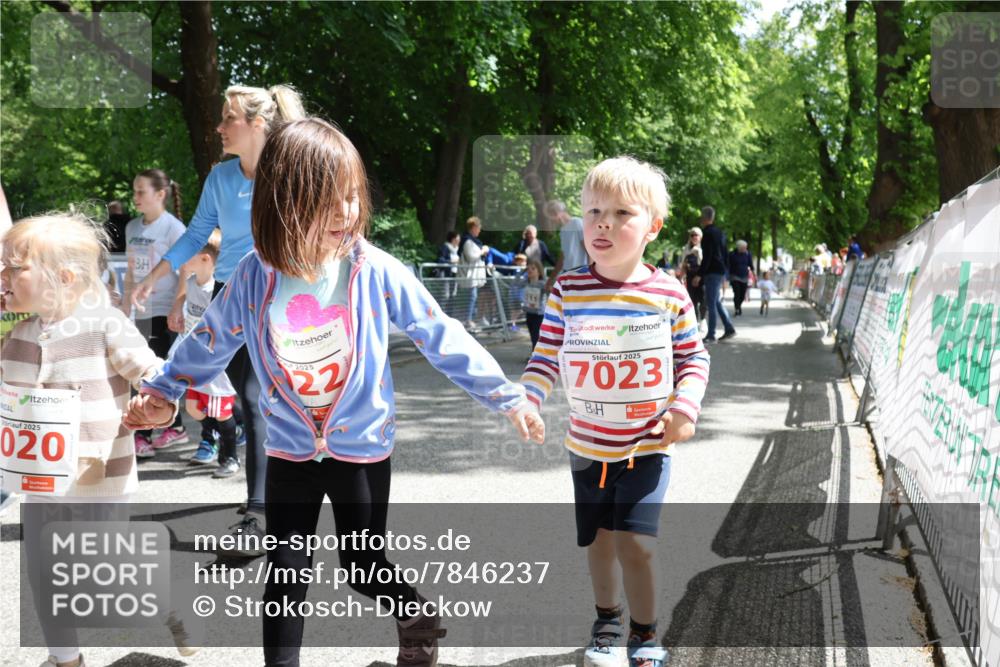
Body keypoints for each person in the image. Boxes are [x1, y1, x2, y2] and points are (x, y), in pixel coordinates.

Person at [125, 117, 545, 667]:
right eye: (329, 200)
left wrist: (507, 396)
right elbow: (207, 342)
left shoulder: (373, 270)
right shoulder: (254, 275)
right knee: (286, 574)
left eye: (352, 196)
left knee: (362, 566)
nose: (347, 212)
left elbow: (439, 333)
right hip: (289, 450)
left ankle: (414, 613)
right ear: (284, 202)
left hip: (361, 449)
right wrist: (164, 389)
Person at [521, 157, 709, 667]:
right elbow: (545, 354)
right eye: (594, 210)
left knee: (636, 545)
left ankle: (645, 635)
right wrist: (528, 397)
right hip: (587, 448)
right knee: (600, 542)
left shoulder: (668, 293)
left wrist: (684, 408)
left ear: (653, 226)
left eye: (622, 212)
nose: (603, 222)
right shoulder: (569, 290)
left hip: (647, 447)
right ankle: (607, 620)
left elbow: (693, 356)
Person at [1, 214, 197, 667]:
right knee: (44, 572)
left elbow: (151, 372)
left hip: (100, 475)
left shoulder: (103, 324)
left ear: (63, 278)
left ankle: (167, 598)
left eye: (14, 268)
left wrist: (158, 404)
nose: (3, 277)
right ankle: (66, 659)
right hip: (40, 483)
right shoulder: (15, 338)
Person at [131, 84, 306, 547]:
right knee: (252, 400)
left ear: (257, 125)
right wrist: (156, 278)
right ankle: (273, 496)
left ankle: (261, 511)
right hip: (231, 296)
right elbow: (194, 237)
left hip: (285, 294)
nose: (219, 126)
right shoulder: (220, 178)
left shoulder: (292, 170)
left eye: (228, 118)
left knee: (255, 398)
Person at [121, 169, 189, 457]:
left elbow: (187, 268)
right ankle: (169, 426)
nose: (135, 197)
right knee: (144, 366)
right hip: (141, 308)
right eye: (134, 190)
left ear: (160, 194)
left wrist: (178, 304)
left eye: (141, 191)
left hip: (164, 307)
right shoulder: (132, 227)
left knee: (154, 368)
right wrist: (125, 304)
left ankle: (150, 431)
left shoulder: (173, 228)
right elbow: (130, 269)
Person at [171, 229, 240, 476]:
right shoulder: (191, 285)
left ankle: (229, 457)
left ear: (205, 259)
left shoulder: (219, 289)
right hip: (195, 361)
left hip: (215, 365)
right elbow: (191, 322)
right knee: (193, 408)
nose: (181, 260)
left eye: (187, 254)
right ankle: (234, 425)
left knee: (221, 413)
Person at [693, 206, 735, 342]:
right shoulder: (720, 232)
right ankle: (729, 328)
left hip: (712, 272)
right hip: (720, 270)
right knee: (716, 301)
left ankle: (711, 334)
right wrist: (726, 272)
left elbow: (708, 256)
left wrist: (699, 274)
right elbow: (725, 253)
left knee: (711, 302)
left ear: (704, 218)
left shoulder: (708, 234)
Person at [544, 199, 590, 291]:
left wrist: (590, 274)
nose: (550, 221)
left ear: (556, 213)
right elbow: (562, 258)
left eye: (550, 217)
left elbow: (589, 250)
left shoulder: (577, 223)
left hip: (581, 272)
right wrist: (550, 280)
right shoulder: (563, 230)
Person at [457, 216, 490, 329]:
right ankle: (468, 320)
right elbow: (471, 256)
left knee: (474, 297)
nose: (480, 230)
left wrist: (483, 252)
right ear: (474, 227)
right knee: (472, 297)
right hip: (469, 276)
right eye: (478, 228)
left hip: (474, 277)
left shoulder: (474, 241)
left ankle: (471, 319)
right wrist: (483, 251)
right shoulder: (467, 241)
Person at [679, 227, 705, 325]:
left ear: (700, 237)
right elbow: (683, 265)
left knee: (703, 300)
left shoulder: (703, 248)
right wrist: (681, 278)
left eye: (696, 235)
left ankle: (703, 320)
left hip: (701, 277)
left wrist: (698, 253)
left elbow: (705, 263)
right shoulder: (686, 249)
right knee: (692, 300)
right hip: (690, 276)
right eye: (692, 235)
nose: (694, 237)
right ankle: (695, 322)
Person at [521, 259, 546, 353]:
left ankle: (536, 356)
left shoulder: (542, 284)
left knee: (536, 336)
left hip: (539, 315)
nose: (530, 270)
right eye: (528, 269)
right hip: (529, 313)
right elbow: (514, 284)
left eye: (533, 268)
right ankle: (535, 354)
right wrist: (522, 271)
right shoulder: (525, 283)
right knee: (532, 336)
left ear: (539, 271)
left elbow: (551, 289)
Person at [435, 230, 460, 318]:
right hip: (446, 274)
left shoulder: (457, 250)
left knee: (453, 296)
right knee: (445, 295)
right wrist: (451, 261)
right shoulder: (445, 247)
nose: (459, 239)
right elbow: (440, 260)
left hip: (454, 275)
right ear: (453, 239)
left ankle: (450, 316)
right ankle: (440, 316)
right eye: (458, 238)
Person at [727, 239, 753, 317]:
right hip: (734, 276)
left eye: (746, 247)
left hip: (744, 276)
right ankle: (737, 308)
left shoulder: (748, 254)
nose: (745, 249)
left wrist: (753, 274)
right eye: (744, 247)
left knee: (742, 294)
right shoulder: (732, 254)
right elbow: (728, 264)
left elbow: (750, 264)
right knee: (737, 293)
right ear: (739, 247)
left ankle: (739, 306)